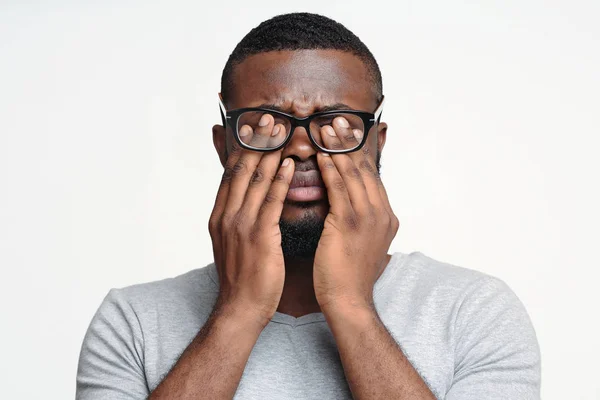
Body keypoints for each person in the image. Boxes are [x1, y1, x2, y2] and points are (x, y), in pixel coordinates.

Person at [76, 12, 541, 400]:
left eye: (338, 124)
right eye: (265, 123)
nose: (301, 147)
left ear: (377, 145)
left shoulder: (476, 311)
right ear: (224, 148)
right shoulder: (132, 320)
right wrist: (238, 310)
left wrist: (350, 305)